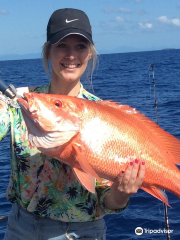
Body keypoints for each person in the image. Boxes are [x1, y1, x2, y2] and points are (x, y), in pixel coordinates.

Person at [0, 8, 145, 240]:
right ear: (48, 51)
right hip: (20, 228)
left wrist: (121, 194)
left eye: (80, 46)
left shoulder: (103, 114)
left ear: (90, 53)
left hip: (82, 232)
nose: (71, 55)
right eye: (61, 46)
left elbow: (108, 201)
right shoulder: (22, 103)